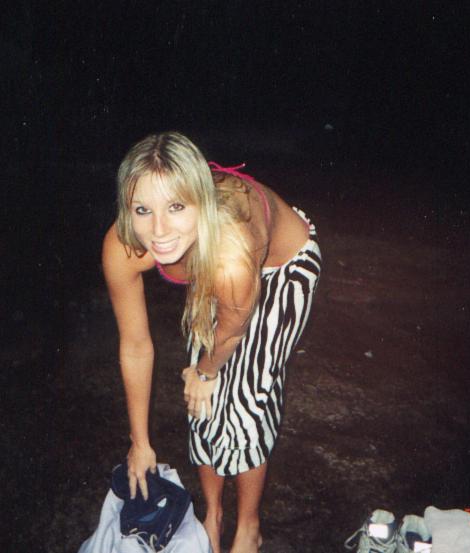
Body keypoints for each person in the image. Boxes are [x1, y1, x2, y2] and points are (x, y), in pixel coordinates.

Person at [102, 132, 321, 553]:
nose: (159, 230)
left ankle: (249, 527)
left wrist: (205, 371)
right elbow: (135, 345)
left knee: (243, 396)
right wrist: (139, 443)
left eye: (176, 207)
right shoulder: (123, 246)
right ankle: (214, 514)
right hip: (214, 266)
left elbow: (233, 331)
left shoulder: (231, 253)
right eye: (142, 209)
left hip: (282, 266)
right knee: (201, 400)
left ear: (200, 202)